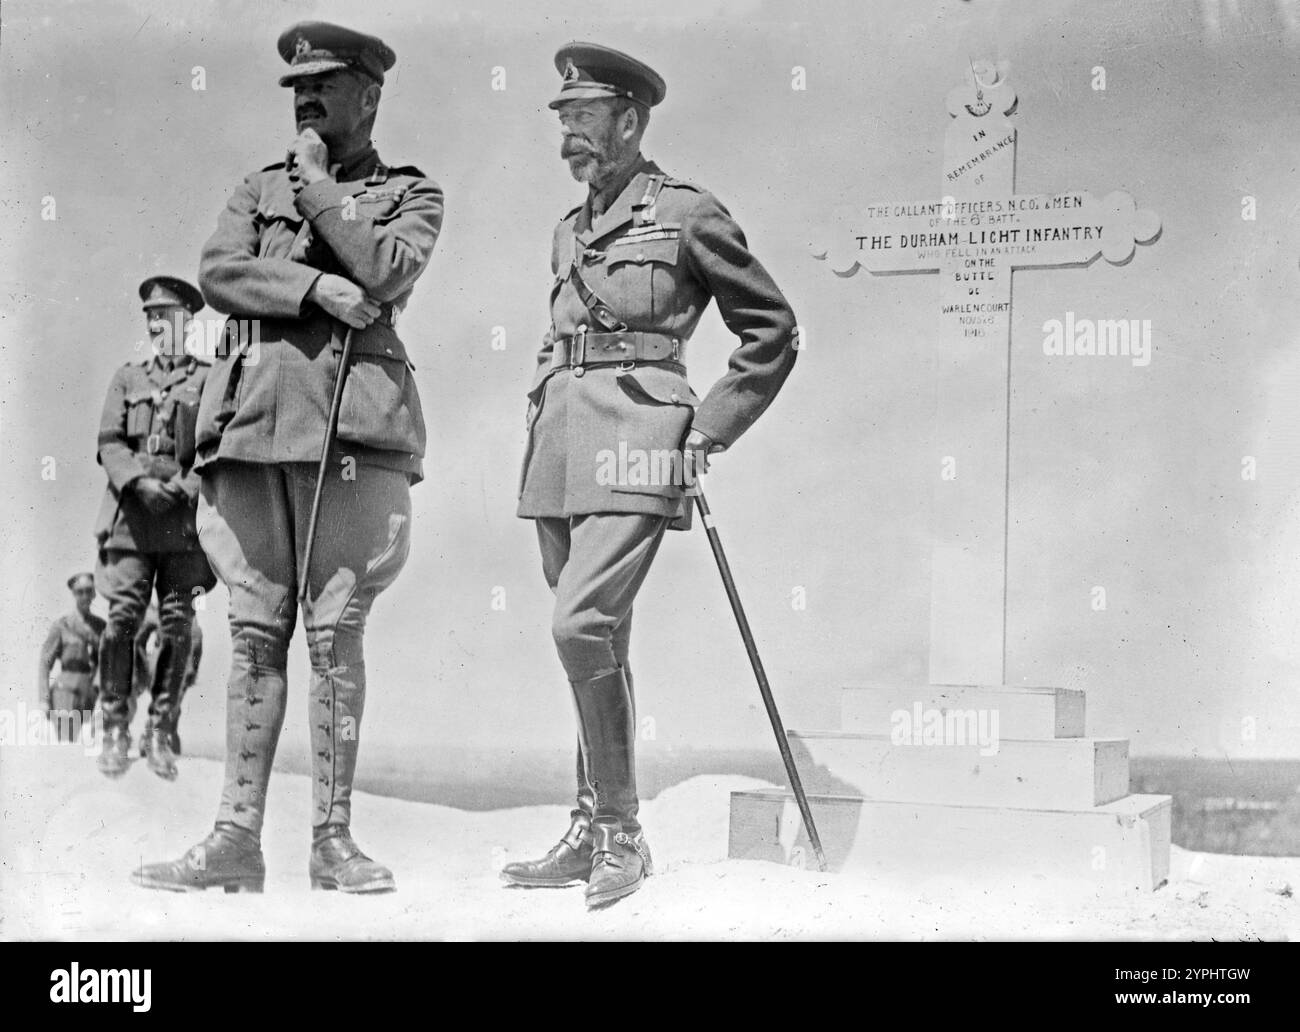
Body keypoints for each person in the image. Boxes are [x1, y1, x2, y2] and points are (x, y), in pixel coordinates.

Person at [132, 21, 443, 895]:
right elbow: (220, 273)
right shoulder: (253, 186)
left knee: (335, 635)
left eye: (326, 84)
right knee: (254, 635)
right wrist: (311, 287)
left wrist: (318, 195)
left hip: (351, 430)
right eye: (298, 88)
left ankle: (331, 842)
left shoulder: (410, 193)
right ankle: (236, 838)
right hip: (250, 428)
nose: (306, 99)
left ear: (370, 95)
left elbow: (384, 270)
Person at [505, 43, 798, 907]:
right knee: (599, 639)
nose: (570, 143)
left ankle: (624, 835)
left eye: (585, 123)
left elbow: (771, 330)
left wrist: (705, 429)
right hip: (559, 444)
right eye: (564, 126)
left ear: (630, 122)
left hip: (641, 436)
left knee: (578, 625)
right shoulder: (568, 227)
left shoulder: (689, 213)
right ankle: (592, 823)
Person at [94, 276, 216, 780]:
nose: (157, 325)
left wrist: (185, 489)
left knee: (177, 626)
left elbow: (214, 442)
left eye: (166, 317)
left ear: (187, 322)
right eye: (151, 318)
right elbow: (110, 441)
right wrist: (139, 483)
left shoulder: (207, 379)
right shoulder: (127, 378)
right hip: (132, 520)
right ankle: (115, 729)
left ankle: (161, 730)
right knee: (121, 621)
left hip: (184, 524)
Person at [38, 573, 105, 742]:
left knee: (94, 742)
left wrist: (97, 689)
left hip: (90, 690)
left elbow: (105, 662)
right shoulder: (62, 625)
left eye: (88, 591)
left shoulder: (101, 627)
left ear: (94, 594)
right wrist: (44, 699)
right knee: (67, 740)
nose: (84, 596)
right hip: (65, 689)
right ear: (74, 594)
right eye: (80, 591)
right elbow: (45, 662)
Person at [130, 601, 203, 753]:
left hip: (182, 667)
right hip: (161, 664)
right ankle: (151, 737)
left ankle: (164, 735)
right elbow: (137, 640)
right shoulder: (156, 612)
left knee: (173, 706)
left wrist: (191, 672)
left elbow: (196, 646)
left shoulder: (193, 622)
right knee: (164, 703)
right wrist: (144, 664)